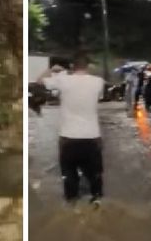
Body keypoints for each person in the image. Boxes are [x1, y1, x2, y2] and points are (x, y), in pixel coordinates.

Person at [38, 53, 105, 209]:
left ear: (71, 67)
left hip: (68, 137)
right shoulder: (98, 82)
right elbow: (98, 88)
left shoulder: (63, 80)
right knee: (95, 173)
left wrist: (51, 69)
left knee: (69, 174)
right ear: (88, 66)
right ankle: (96, 200)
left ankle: (71, 203)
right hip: (92, 136)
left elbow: (39, 81)